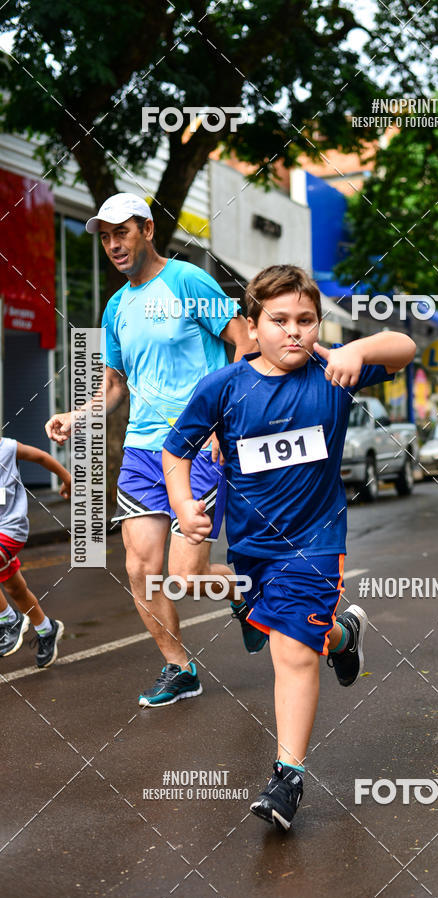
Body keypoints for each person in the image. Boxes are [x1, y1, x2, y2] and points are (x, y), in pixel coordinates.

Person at [163, 264, 416, 829]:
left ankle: (287, 778)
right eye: (278, 320)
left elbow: (404, 347)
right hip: (252, 550)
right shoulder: (224, 388)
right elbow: (176, 452)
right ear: (252, 326)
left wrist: (358, 347)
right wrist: (182, 505)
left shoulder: (333, 373)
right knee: (297, 634)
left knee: (291, 653)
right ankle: (344, 633)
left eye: (305, 319)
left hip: (317, 540)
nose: (294, 331)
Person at [46, 192, 255, 707]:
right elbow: (115, 386)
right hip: (142, 452)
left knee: (186, 579)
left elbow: (245, 338)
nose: (114, 244)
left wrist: (221, 419)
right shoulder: (116, 306)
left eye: (123, 232)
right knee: (140, 569)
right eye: (106, 236)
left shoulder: (188, 280)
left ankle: (247, 591)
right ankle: (179, 668)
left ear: (147, 229)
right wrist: (78, 415)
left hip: (196, 448)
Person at [0, 438, 71, 667]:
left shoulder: (8, 449)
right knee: (16, 589)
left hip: (11, 528)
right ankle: (46, 629)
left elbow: (40, 456)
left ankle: (9, 620)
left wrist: (67, 478)